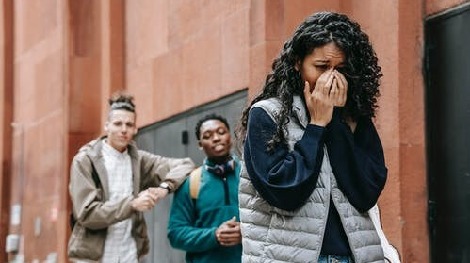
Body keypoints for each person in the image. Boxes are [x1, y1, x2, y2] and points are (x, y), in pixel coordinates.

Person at [236, 11, 388, 263]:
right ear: (297, 63)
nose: (331, 77)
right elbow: (283, 192)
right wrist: (317, 126)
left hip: (354, 256)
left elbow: (366, 193)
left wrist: (336, 122)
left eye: (340, 69)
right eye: (321, 67)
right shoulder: (267, 114)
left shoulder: (354, 117)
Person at [67, 92, 195, 263]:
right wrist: (132, 204)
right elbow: (87, 214)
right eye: (118, 124)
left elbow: (185, 165)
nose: (123, 130)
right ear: (107, 126)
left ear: (135, 129)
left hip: (130, 254)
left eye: (129, 124)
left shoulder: (138, 160)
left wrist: (163, 189)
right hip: (94, 256)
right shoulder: (85, 160)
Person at [167, 114, 242, 263]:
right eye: (208, 136)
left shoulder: (249, 176)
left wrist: (246, 232)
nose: (216, 138)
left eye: (221, 132)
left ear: (230, 137)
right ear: (200, 144)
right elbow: (175, 234)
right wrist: (214, 235)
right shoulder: (191, 183)